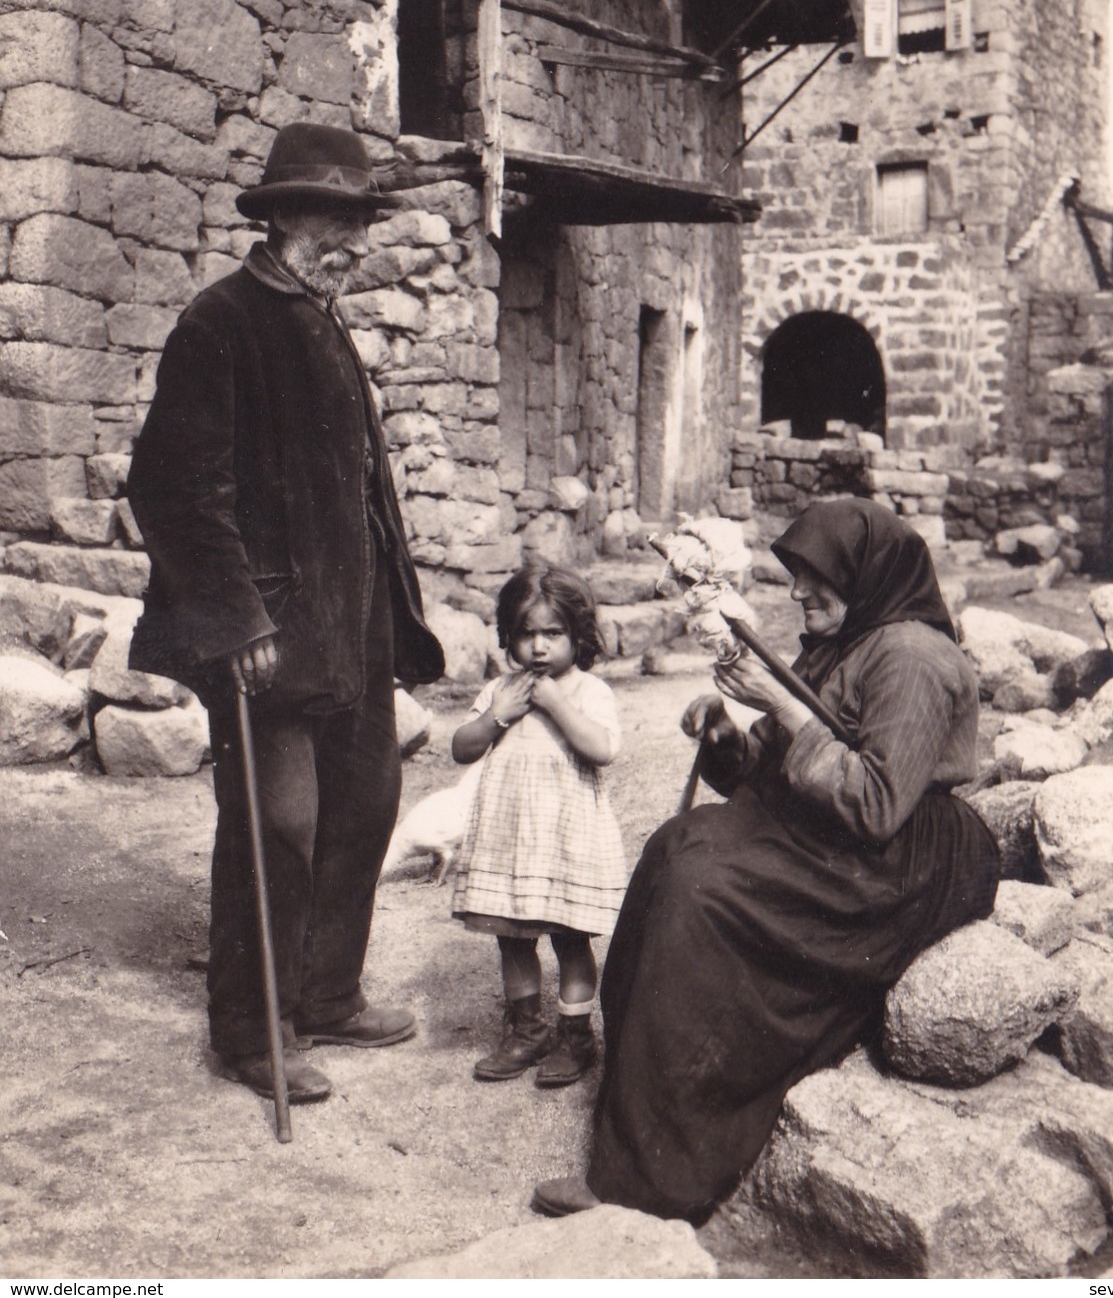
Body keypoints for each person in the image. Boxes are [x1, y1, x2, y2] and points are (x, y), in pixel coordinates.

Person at [532, 498, 1000, 1221]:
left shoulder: (910, 658)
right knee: (673, 848)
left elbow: (875, 803)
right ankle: (642, 1097)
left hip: (900, 862)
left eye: (814, 578)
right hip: (839, 838)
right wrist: (724, 736)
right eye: (795, 575)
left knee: (703, 890)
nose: (795, 593)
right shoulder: (843, 637)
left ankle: (651, 1179)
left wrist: (781, 709)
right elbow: (778, 767)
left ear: (864, 575)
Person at [127, 121, 444, 1105]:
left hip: (353, 625)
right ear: (286, 217)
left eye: (362, 220)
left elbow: (356, 489)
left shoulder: (322, 314)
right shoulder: (220, 323)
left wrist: (391, 615)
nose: (356, 240)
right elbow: (175, 488)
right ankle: (250, 1026)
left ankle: (327, 994)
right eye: (340, 219)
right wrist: (234, 623)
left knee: (366, 806)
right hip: (268, 636)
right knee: (279, 825)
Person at [451, 564, 627, 1087]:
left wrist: (554, 703)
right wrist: (496, 716)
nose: (539, 647)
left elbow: (603, 749)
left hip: (566, 841)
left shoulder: (589, 691)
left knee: (571, 940)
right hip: (511, 843)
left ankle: (576, 1036)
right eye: (526, 634)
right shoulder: (502, 690)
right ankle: (526, 1030)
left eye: (553, 634)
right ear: (509, 636)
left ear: (578, 635)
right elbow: (462, 748)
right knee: (513, 939)